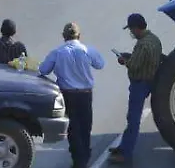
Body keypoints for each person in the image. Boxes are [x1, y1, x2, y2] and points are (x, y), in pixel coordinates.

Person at [40, 22, 105, 168]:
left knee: (73, 127)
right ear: (79, 35)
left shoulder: (57, 52)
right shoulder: (88, 50)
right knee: (85, 125)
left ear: (63, 36)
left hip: (67, 94)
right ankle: (85, 155)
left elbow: (43, 70)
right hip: (86, 94)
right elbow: (100, 64)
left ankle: (78, 158)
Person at [109, 14, 163, 164]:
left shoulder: (142, 44)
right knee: (132, 118)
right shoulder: (154, 40)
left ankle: (126, 154)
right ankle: (123, 146)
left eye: (131, 29)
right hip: (150, 80)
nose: (131, 33)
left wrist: (124, 60)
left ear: (135, 28)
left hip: (139, 83)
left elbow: (134, 65)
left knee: (133, 119)